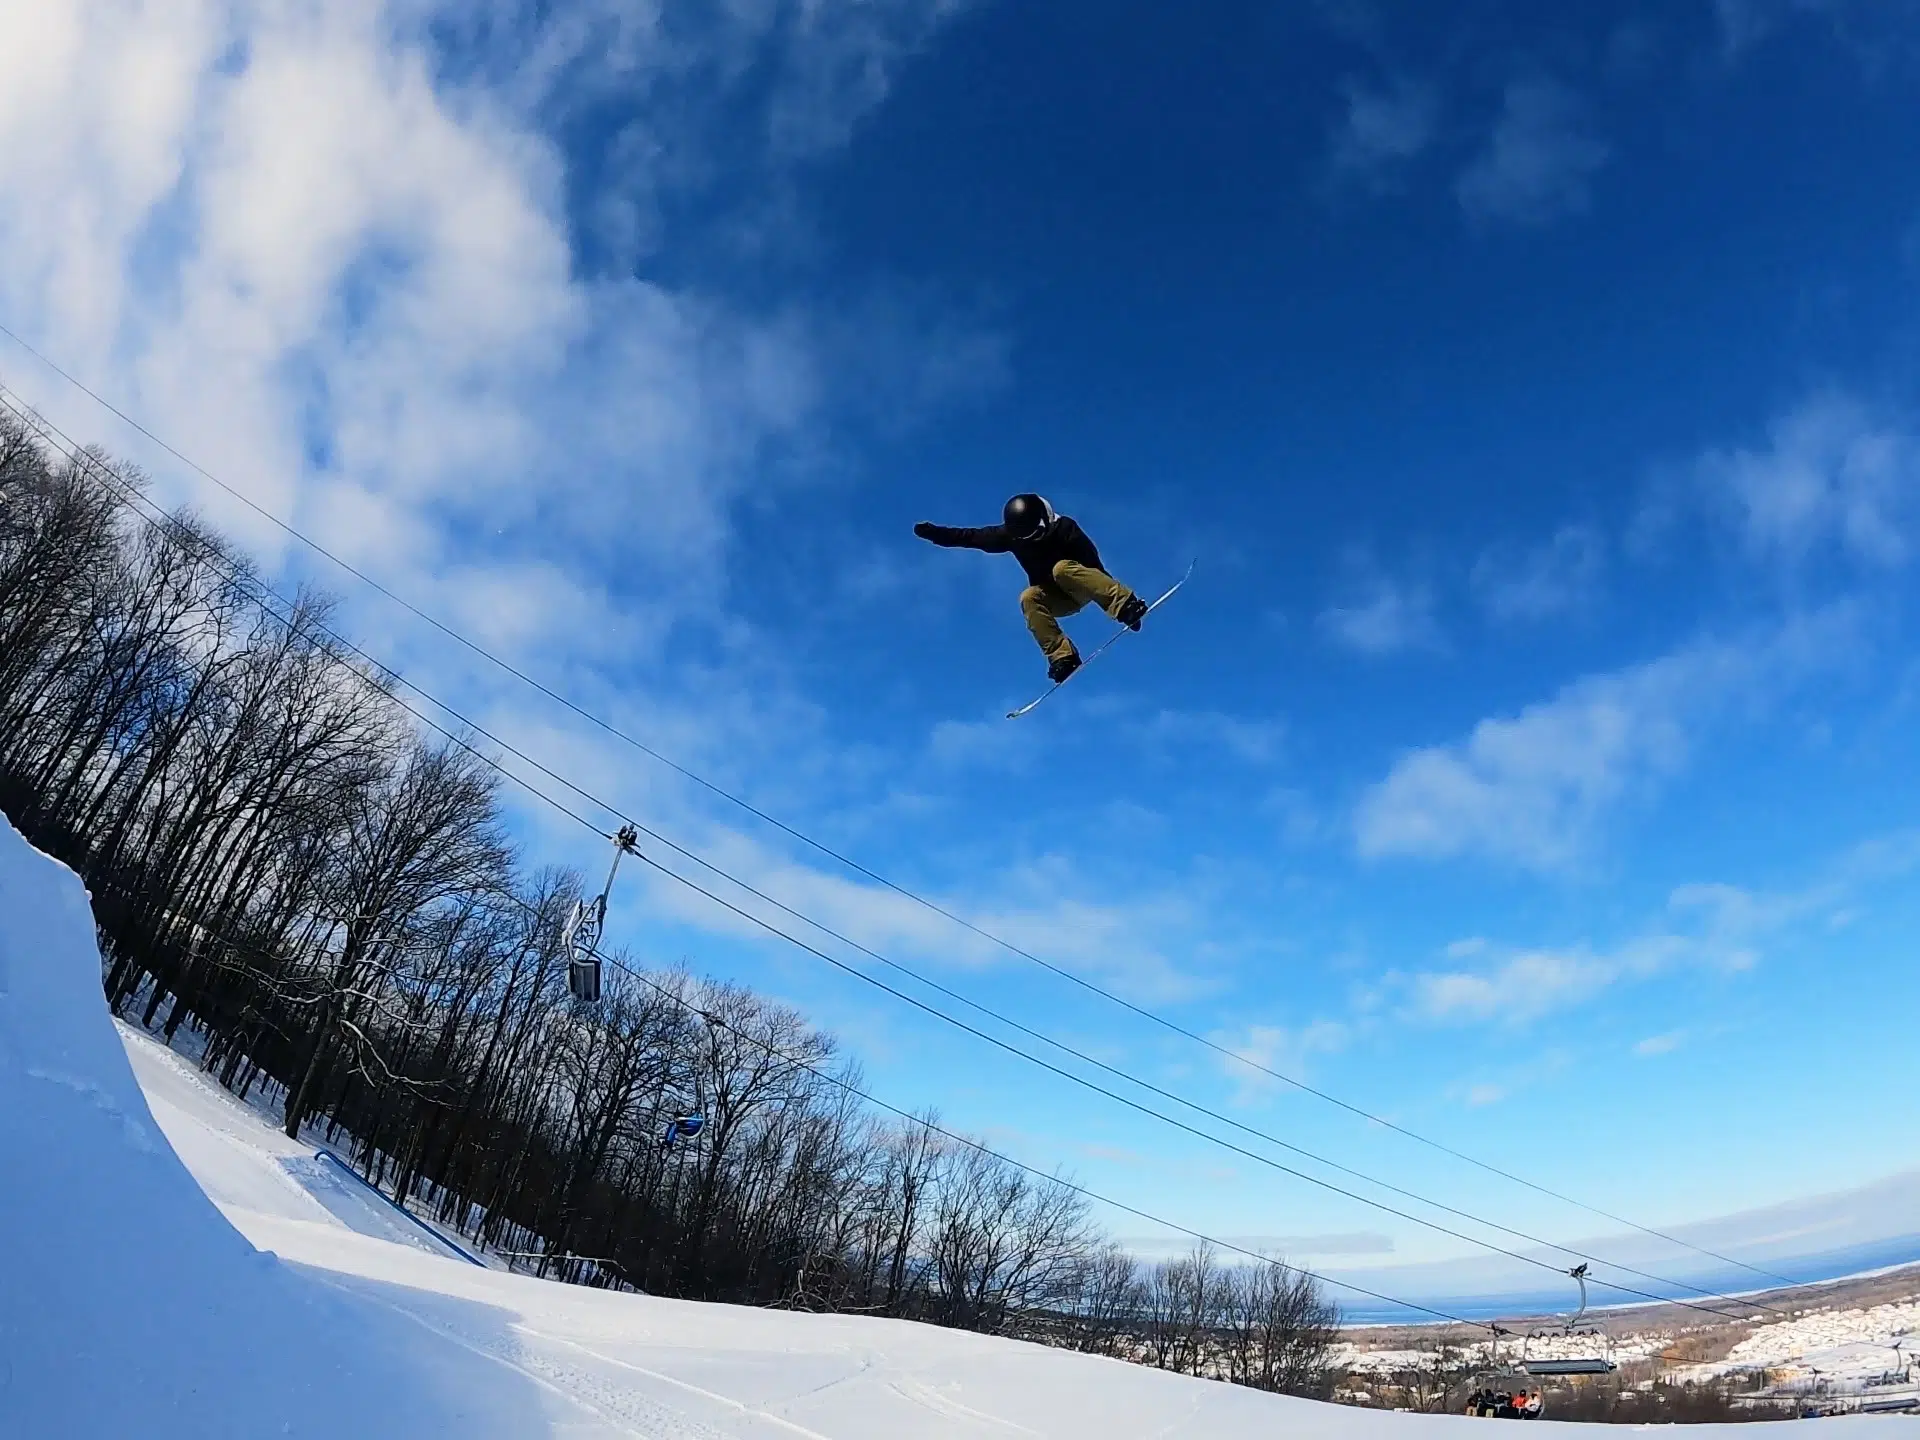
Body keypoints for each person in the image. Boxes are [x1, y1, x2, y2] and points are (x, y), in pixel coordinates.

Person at [915, 494, 1149, 683]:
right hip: (1057, 598)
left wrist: (1126, 608)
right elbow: (970, 537)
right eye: (1025, 537)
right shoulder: (1011, 536)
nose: (1031, 540)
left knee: (1061, 569)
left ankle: (1124, 603)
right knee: (1028, 596)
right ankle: (1063, 657)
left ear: (1045, 521)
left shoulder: (1066, 529)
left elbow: (1094, 565)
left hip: (1081, 584)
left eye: (1036, 534)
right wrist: (934, 533)